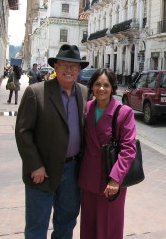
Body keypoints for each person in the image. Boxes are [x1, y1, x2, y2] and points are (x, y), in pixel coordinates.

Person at [15, 45, 89, 239]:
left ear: (79, 70)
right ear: (56, 66)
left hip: (72, 171)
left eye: (74, 66)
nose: (69, 70)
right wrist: (35, 165)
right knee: (37, 225)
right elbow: (23, 132)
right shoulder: (36, 92)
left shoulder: (84, 93)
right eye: (64, 65)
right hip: (42, 171)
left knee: (66, 223)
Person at [78, 68, 137, 239]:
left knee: (109, 227)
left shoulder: (124, 112)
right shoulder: (86, 108)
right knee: (88, 226)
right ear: (91, 87)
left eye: (106, 85)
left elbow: (128, 149)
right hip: (88, 179)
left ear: (112, 88)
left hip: (111, 180)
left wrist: (115, 179)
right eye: (97, 84)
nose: (101, 89)